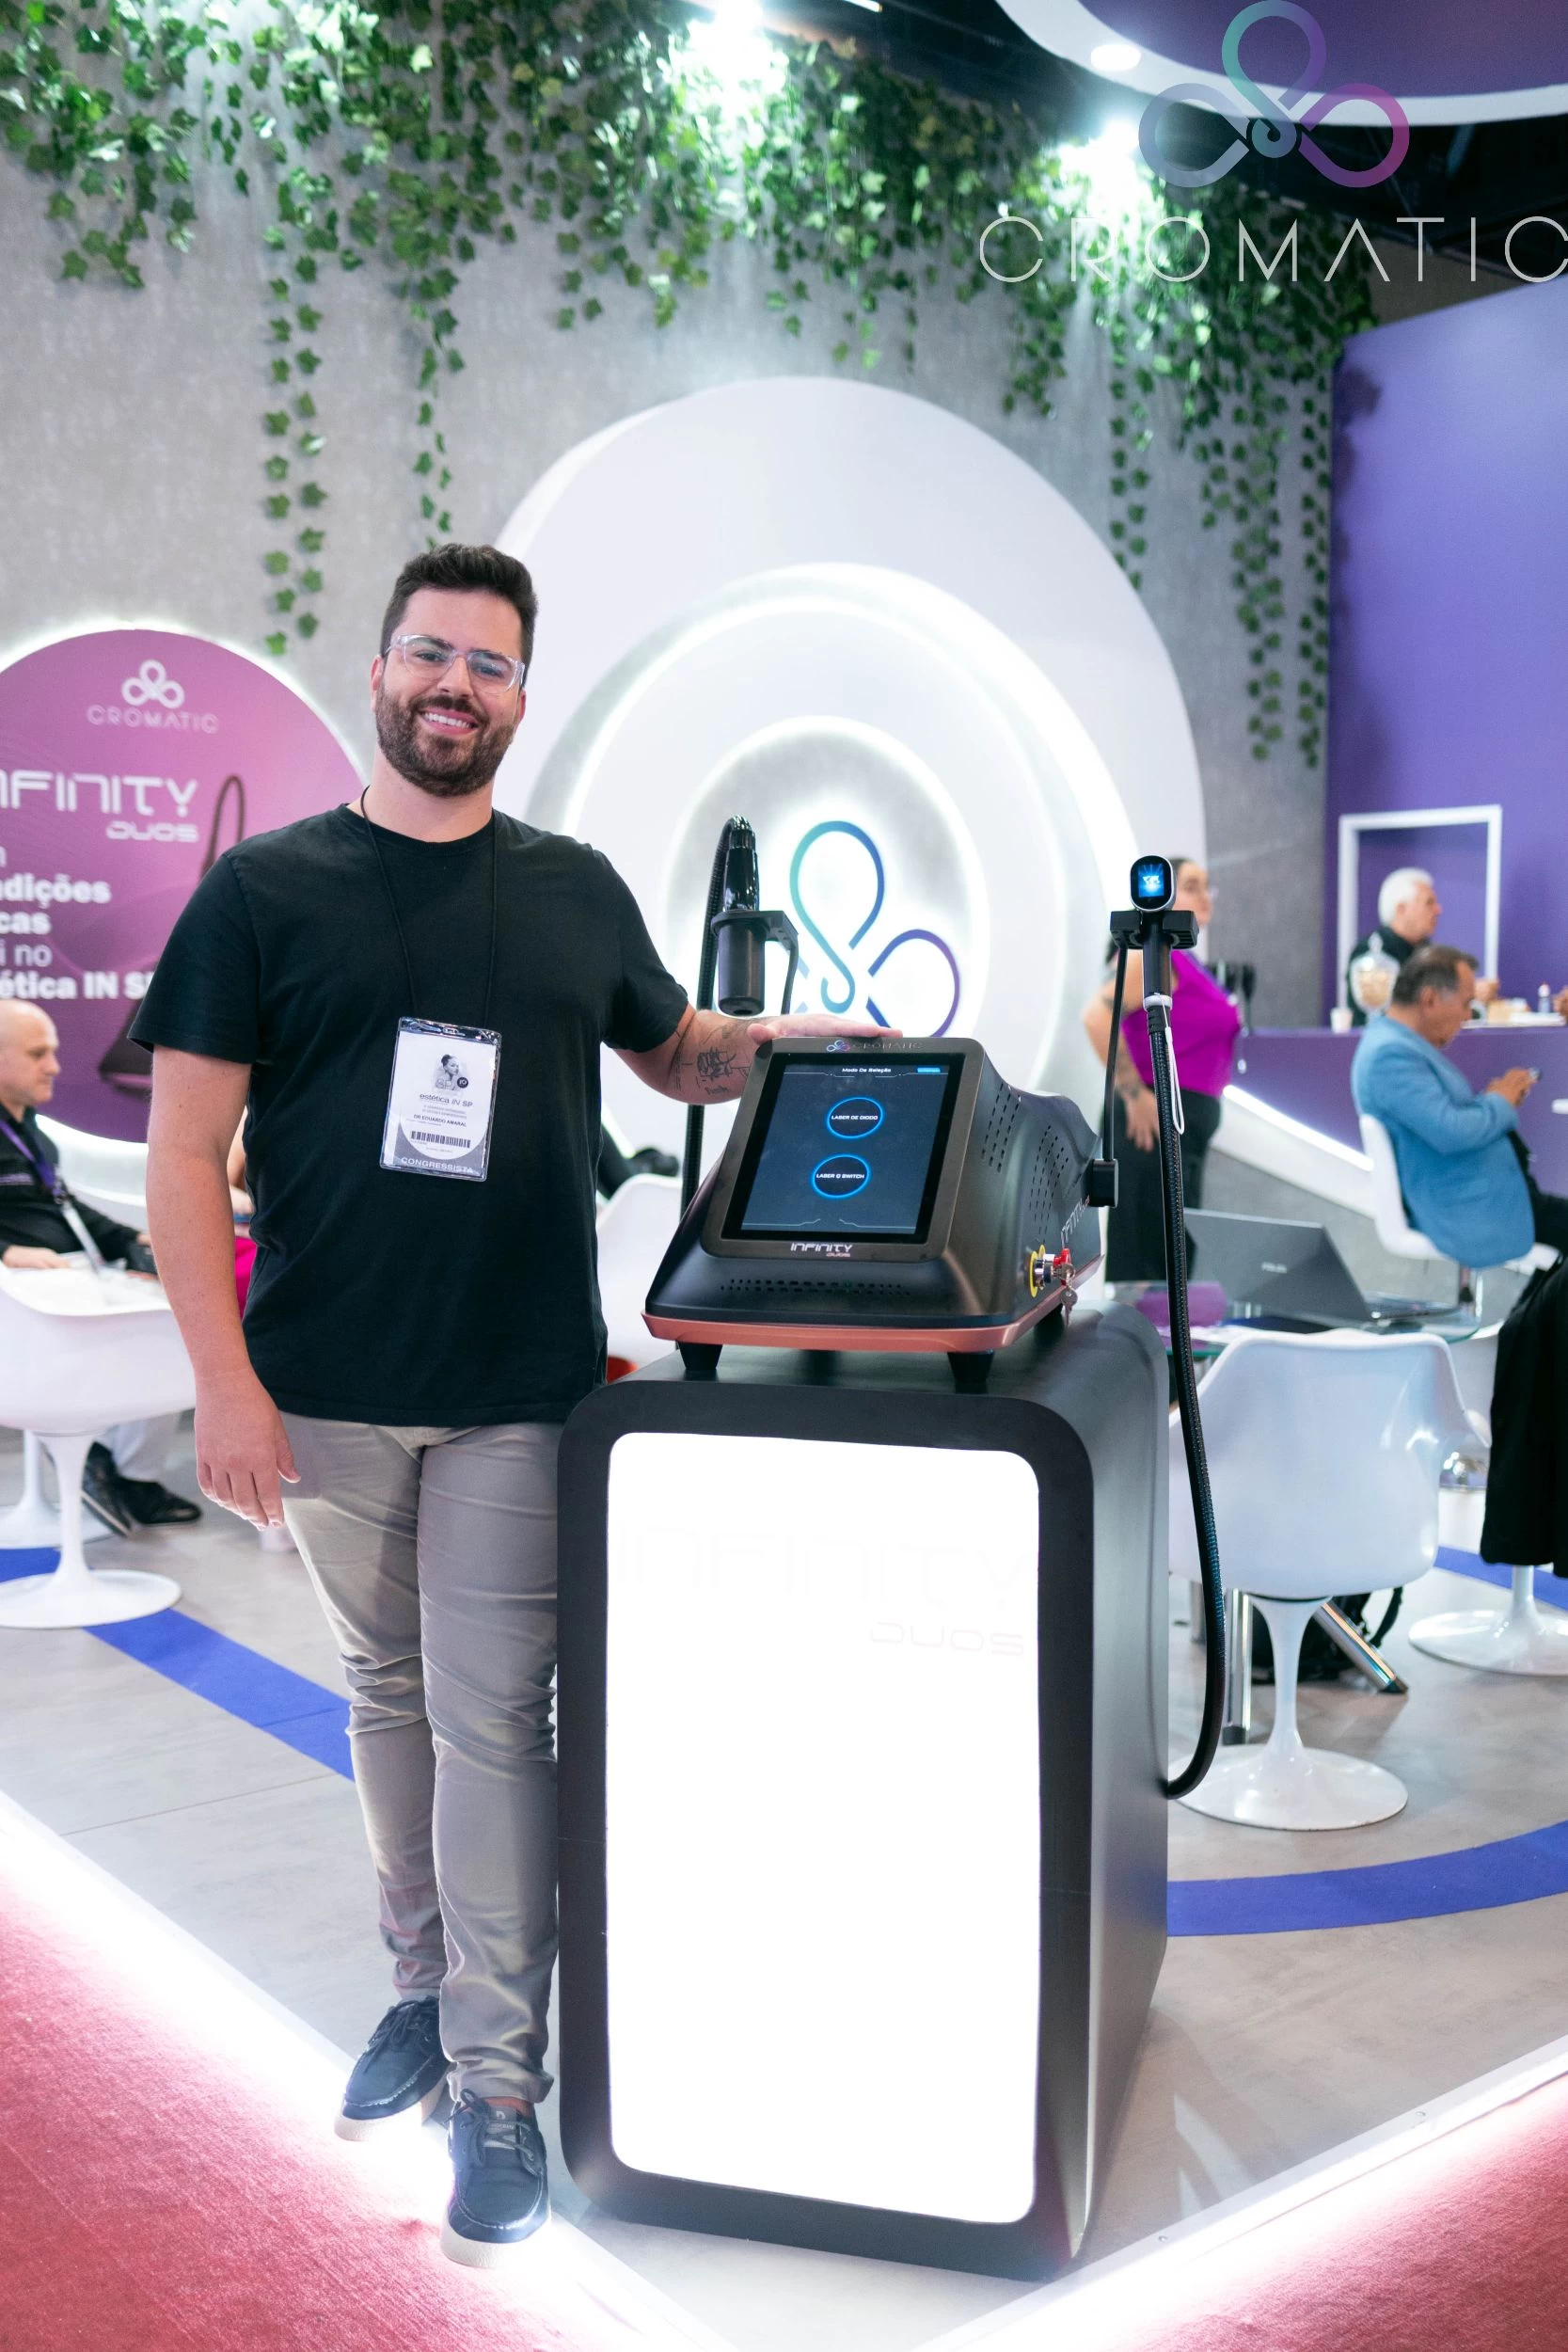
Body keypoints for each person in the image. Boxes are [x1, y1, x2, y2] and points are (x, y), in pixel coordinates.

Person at [132, 541, 887, 2268]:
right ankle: (418, 1984)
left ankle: (494, 2086)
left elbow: (673, 1048)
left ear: (521, 698)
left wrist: (782, 1042)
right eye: (429, 654)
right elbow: (182, 1154)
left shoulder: (572, 890)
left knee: (491, 1723)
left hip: (515, 1391)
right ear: (379, 669)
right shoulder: (260, 893)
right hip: (323, 1387)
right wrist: (223, 1384)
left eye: (486, 664)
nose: (453, 686)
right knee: (384, 1698)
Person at [0, 1000, 199, 1534]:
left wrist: (130, 1239)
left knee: (174, 1319)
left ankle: (125, 1473)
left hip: (69, 1277)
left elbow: (64, 1207)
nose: (54, 1067)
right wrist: (4, 1252)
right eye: (37, 1054)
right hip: (28, 1297)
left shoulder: (32, 1133)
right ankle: (99, 1459)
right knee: (154, 1330)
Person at [1351, 943, 1568, 1266]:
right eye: (1466, 1004)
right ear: (1430, 999)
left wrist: (1494, 1101)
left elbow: (1442, 1120)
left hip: (1488, 1196)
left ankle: (1536, 1303)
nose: (1468, 1016)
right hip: (1470, 1206)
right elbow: (1451, 1131)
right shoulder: (1390, 1055)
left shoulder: (1396, 1045)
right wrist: (1499, 1101)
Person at [1083, 857, 1241, 1282]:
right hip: (1149, 1126)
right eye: (1191, 885)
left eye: (1206, 885)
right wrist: (1134, 1094)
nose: (1203, 895)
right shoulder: (1151, 956)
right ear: (1164, 894)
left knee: (1172, 1263)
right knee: (1148, 1264)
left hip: (1179, 1130)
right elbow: (1097, 1017)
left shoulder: (1183, 960)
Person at [1346, 866, 1499, 1025]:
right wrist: (1466, 999)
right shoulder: (1374, 955)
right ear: (1401, 909)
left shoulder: (1426, 951)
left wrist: (1469, 999)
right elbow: (1391, 1016)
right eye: (1429, 903)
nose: (1438, 910)